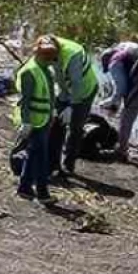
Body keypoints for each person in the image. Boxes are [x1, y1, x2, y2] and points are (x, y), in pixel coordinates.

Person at [11, 36, 60, 204]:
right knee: (41, 156)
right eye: (47, 57)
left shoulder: (46, 70)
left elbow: (50, 93)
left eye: (52, 57)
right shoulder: (29, 72)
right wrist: (26, 123)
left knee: (33, 154)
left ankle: (24, 187)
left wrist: (53, 112)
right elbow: (25, 100)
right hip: (33, 120)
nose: (50, 60)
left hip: (44, 118)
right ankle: (43, 193)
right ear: (38, 54)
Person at [43, 34, 100, 176]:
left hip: (84, 91)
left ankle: (68, 167)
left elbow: (77, 85)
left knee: (75, 128)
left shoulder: (73, 55)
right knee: (56, 124)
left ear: (56, 52)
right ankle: (51, 165)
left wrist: (71, 107)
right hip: (65, 90)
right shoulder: (46, 47)